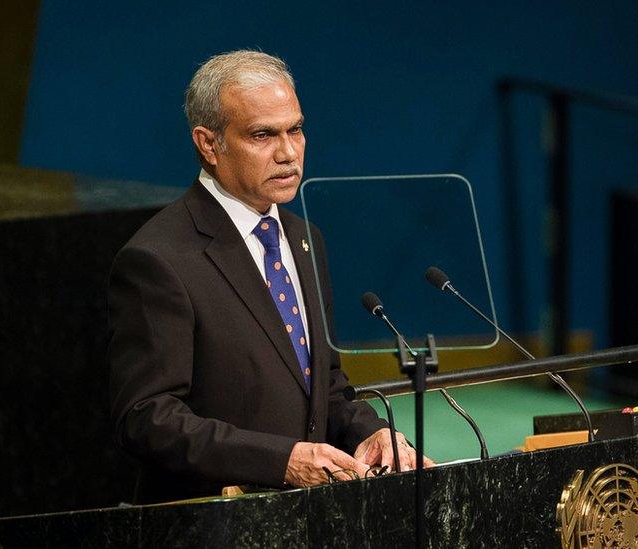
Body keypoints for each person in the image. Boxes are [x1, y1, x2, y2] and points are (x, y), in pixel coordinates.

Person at [108, 50, 427, 504]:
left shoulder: (304, 238)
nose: (287, 153)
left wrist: (372, 433)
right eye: (262, 135)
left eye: (295, 130)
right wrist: (280, 461)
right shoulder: (158, 259)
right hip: (211, 521)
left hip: (307, 518)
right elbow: (146, 418)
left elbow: (324, 383)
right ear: (208, 143)